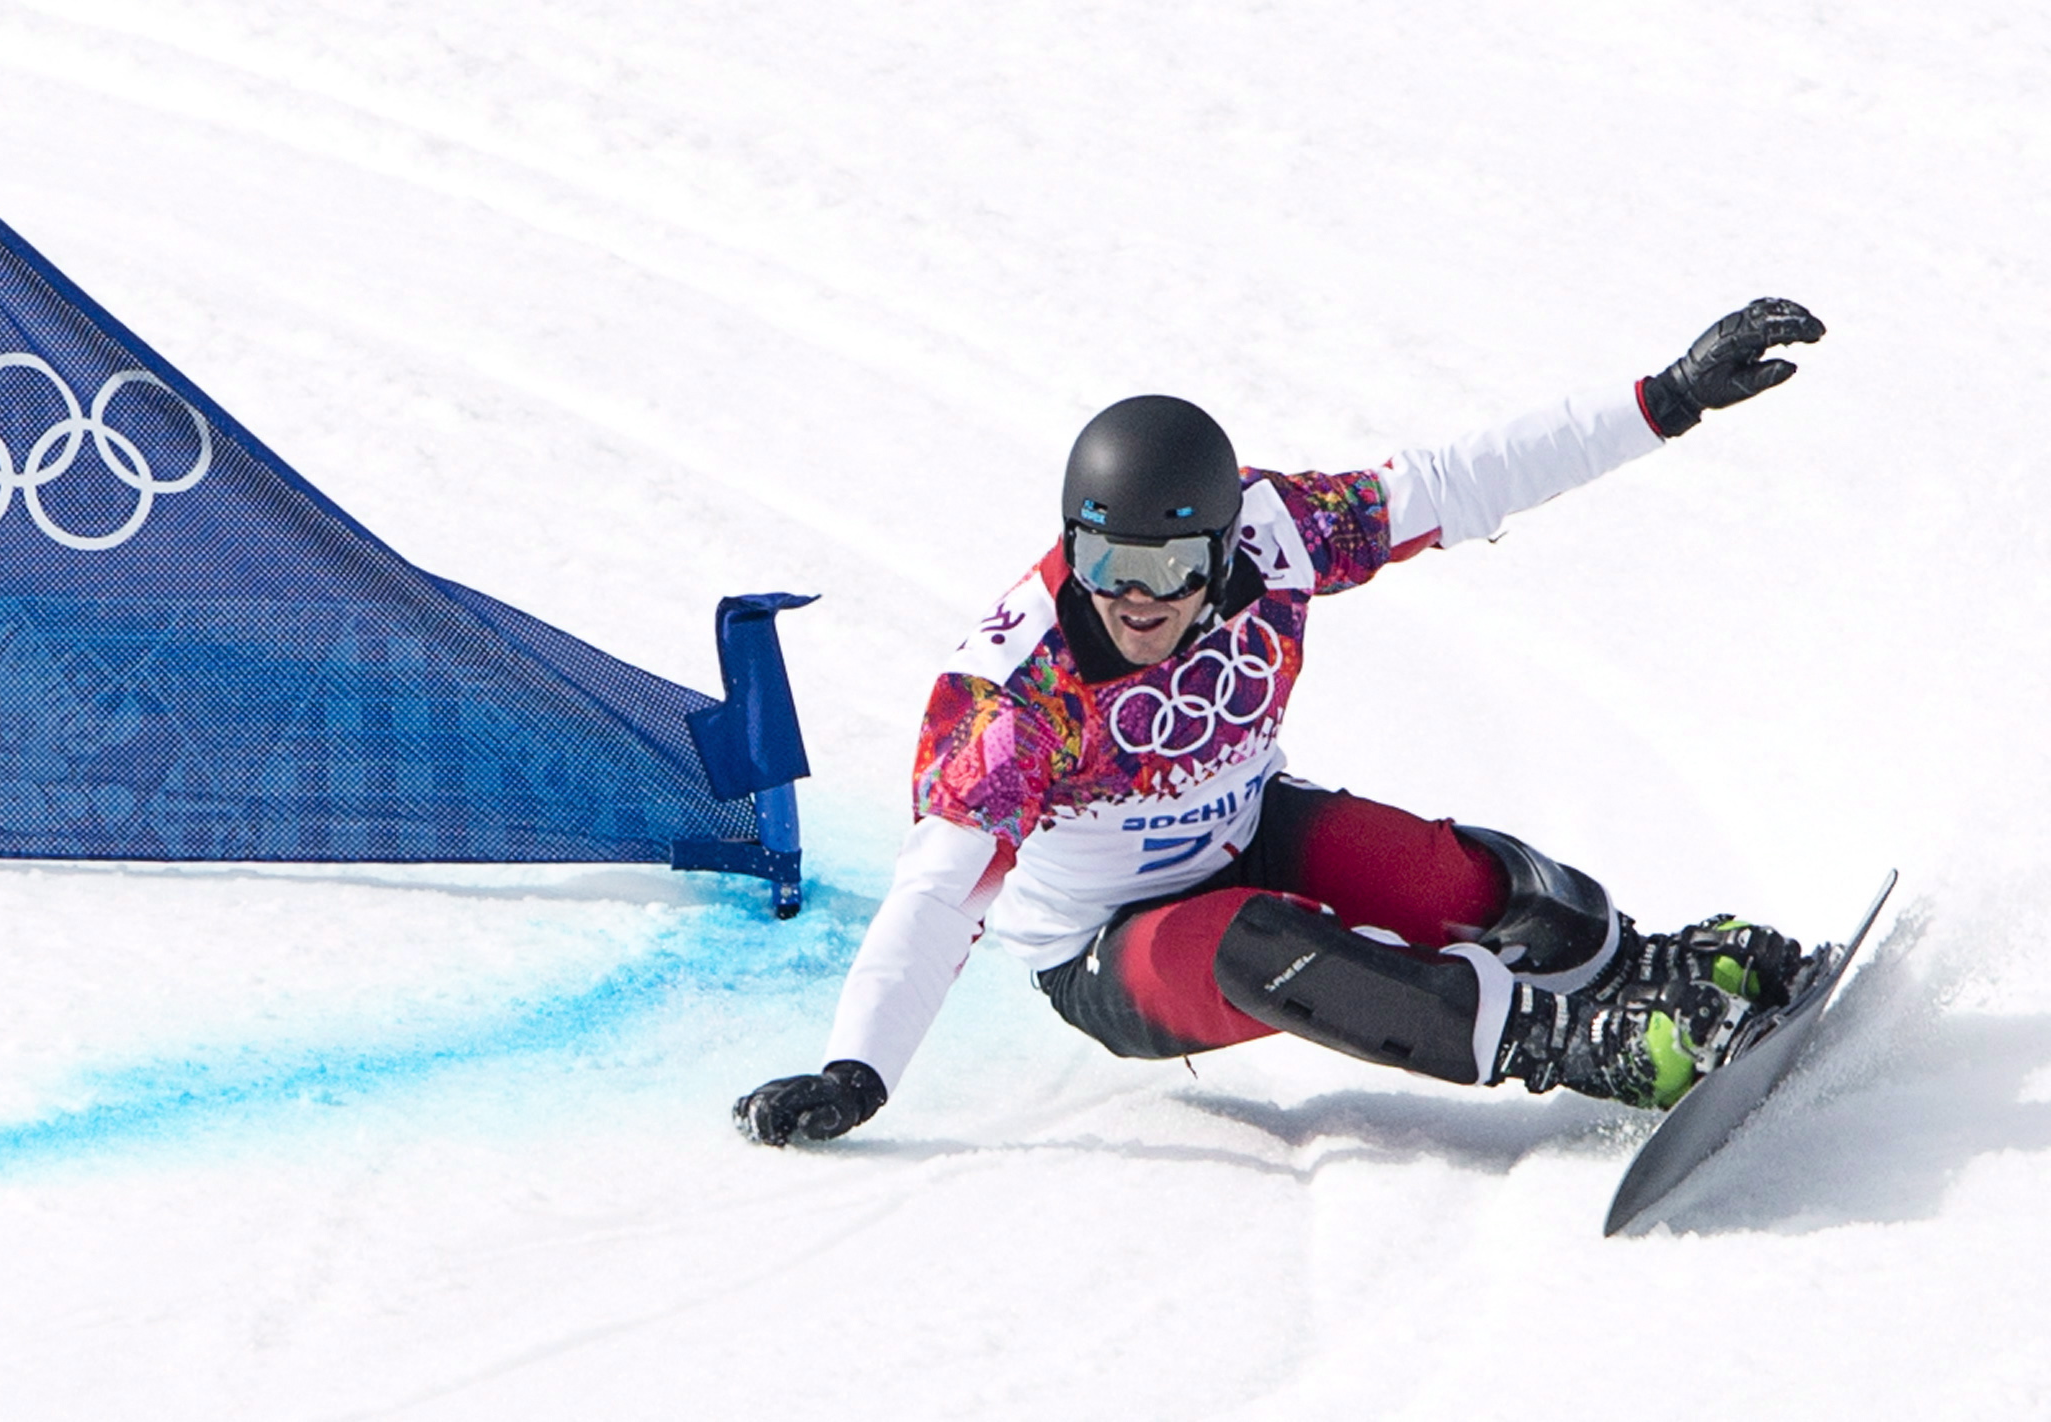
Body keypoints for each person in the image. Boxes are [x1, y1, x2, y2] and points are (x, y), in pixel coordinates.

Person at [736, 299, 1828, 1147]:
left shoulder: (1279, 532)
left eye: (1169, 565)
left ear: (1222, 551)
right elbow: (935, 894)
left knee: (1461, 884)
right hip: (1112, 951)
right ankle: (1574, 1046)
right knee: (1273, 948)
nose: (1137, 598)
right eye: (1105, 560)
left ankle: (1637, 969)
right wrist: (856, 1071)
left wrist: (1665, 398)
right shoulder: (1016, 699)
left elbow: (1457, 482)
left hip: (1246, 823)